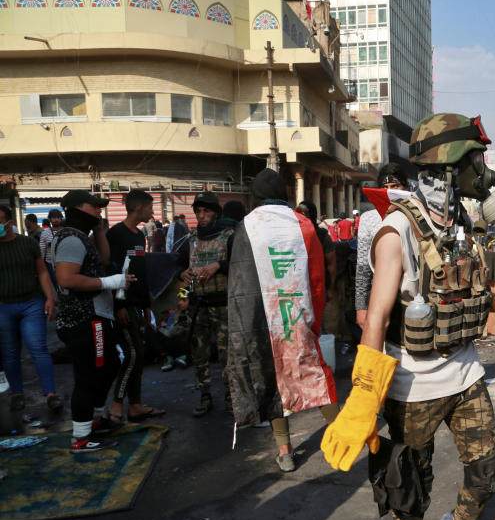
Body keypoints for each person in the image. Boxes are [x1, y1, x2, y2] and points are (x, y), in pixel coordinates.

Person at [322, 113, 495, 520]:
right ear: (448, 164)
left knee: (488, 472)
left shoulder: (465, 221)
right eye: (476, 160)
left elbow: (486, 290)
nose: (483, 171)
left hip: (466, 374)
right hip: (412, 386)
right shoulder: (395, 230)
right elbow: (378, 317)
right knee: (408, 490)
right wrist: (365, 395)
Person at [227, 169, 337, 472]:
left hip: (263, 321)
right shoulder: (303, 224)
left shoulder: (247, 226)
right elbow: (317, 278)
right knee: (312, 371)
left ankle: (285, 451)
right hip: (298, 314)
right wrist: (314, 317)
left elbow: (239, 283)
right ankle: (343, 434)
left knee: (272, 375)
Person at [54, 190, 134, 452]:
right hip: (84, 320)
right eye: (95, 206)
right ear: (77, 208)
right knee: (88, 376)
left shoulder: (80, 236)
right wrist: (111, 282)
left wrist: (98, 231)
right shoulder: (70, 239)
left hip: (95, 317)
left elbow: (105, 260)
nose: (100, 210)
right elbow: (66, 279)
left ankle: (96, 420)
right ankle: (81, 437)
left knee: (108, 366)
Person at [106, 189, 166, 423]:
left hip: (138, 305)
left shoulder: (140, 236)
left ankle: (136, 405)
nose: (152, 212)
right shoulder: (115, 235)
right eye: (150, 208)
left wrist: (147, 305)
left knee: (138, 355)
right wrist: (119, 306)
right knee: (132, 354)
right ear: (139, 208)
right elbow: (112, 272)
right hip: (122, 306)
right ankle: (116, 405)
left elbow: (140, 271)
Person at [0, 205, 60, 414]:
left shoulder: (27, 243)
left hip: (31, 303)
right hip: (3, 306)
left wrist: (50, 298)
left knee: (38, 348)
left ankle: (51, 394)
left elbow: (42, 272)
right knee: (9, 353)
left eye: (0, 221)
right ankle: (17, 394)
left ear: (9, 222)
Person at [179, 192, 234, 417]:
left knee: (227, 355)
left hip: (223, 305)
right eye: (198, 211)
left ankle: (232, 395)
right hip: (198, 305)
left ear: (216, 214)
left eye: (206, 211)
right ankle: (205, 394)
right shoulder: (190, 241)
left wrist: (219, 265)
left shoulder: (229, 237)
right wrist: (181, 277)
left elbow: (241, 264)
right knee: (199, 354)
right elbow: (178, 268)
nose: (201, 216)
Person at [355, 163, 407, 331]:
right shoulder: (368, 219)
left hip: (412, 296)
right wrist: (361, 306)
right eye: (385, 187)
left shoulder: (417, 215)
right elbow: (363, 267)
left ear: (406, 187)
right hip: (380, 297)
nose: (390, 191)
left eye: (395, 186)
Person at [295, 200, 337, 297]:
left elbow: (332, 264)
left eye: (305, 214)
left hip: (318, 288)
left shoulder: (322, 236)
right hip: (297, 289)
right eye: (299, 214)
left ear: (312, 215)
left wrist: (330, 289)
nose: (301, 217)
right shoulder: (292, 235)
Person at [39, 208, 63, 287]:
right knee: (56, 285)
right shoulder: (45, 233)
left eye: (58, 217)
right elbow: (42, 250)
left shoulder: (66, 231)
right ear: (50, 219)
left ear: (61, 218)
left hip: (65, 263)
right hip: (50, 264)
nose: (56, 220)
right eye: (54, 218)